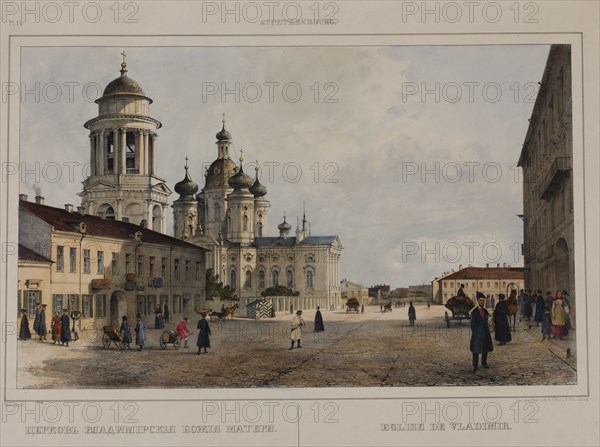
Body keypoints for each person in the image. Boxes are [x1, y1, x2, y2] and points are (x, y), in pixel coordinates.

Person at [470, 296, 493, 374]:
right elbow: (472, 324)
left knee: (485, 348)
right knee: (476, 350)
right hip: (477, 333)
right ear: (478, 301)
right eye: (480, 300)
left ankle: (484, 363)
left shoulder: (485, 311)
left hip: (485, 332)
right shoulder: (474, 312)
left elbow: (488, 321)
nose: (482, 302)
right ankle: (475, 365)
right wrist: (475, 333)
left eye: (483, 301)